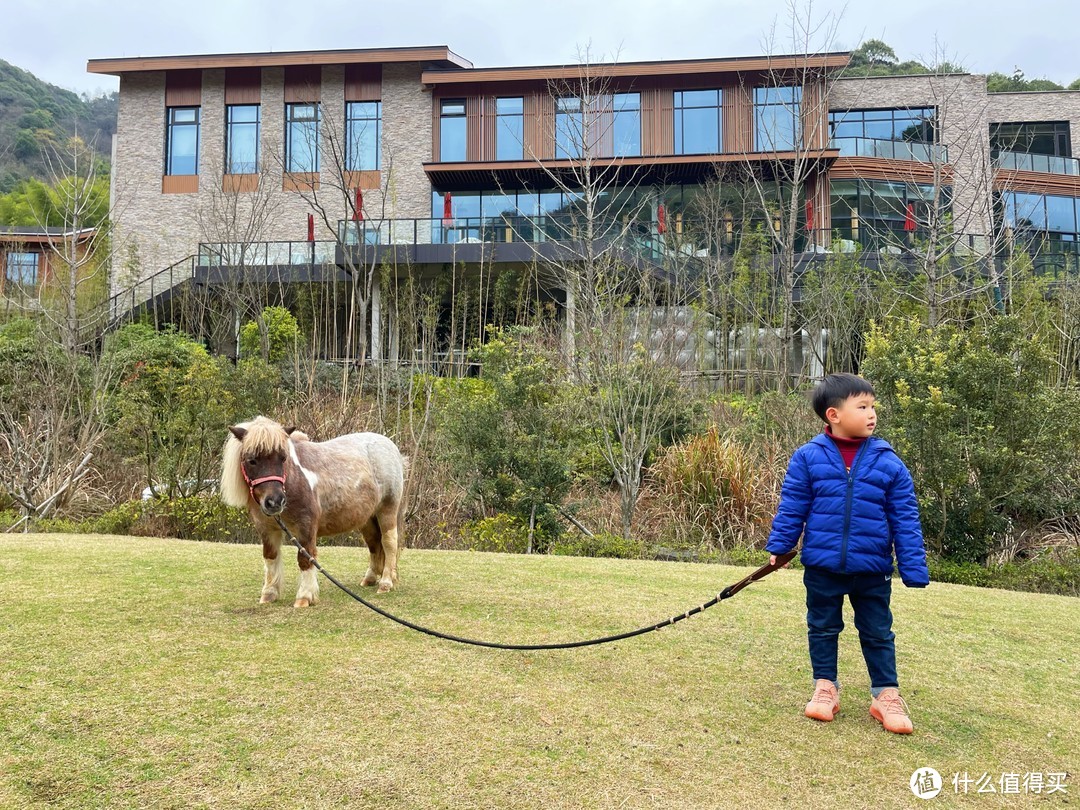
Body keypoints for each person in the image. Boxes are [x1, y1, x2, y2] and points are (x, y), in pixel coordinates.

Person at [765, 373, 929, 734]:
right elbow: (793, 507)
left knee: (878, 631)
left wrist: (914, 567)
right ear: (833, 415)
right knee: (822, 627)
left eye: (873, 406)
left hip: (872, 568)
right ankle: (825, 687)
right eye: (862, 406)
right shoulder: (808, 458)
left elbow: (906, 519)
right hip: (822, 566)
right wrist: (779, 547)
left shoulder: (889, 463)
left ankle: (885, 695)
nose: (872, 414)